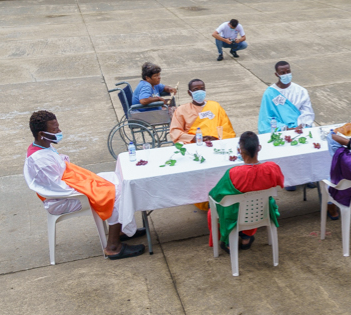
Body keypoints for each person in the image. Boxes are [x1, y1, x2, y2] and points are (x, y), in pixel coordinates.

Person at [24, 111, 145, 259]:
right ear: (42, 133)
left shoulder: (43, 145)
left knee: (117, 179)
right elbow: (58, 188)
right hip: (61, 200)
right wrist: (90, 186)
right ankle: (113, 246)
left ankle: (123, 230)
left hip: (68, 186)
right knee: (114, 192)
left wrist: (89, 181)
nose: (59, 132)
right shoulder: (40, 160)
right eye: (55, 130)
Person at [207, 131, 285, 251]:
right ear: (259, 148)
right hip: (262, 210)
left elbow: (215, 195)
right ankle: (246, 237)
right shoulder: (272, 168)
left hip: (236, 215)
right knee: (253, 203)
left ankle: (228, 241)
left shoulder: (233, 173)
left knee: (218, 207)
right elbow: (280, 183)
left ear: (240, 150)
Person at [169, 79, 236, 143]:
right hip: (193, 143)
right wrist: (193, 138)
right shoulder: (182, 110)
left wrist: (215, 137)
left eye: (202, 89)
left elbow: (226, 128)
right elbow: (175, 131)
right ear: (189, 93)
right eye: (196, 89)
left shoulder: (215, 106)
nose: (199, 91)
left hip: (216, 141)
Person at [258, 61, 315, 132]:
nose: (286, 74)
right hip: (281, 130)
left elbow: (307, 112)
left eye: (288, 71)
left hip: (300, 127)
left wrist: (301, 126)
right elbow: (266, 117)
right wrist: (286, 129)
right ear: (277, 74)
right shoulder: (270, 93)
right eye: (283, 73)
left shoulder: (301, 91)